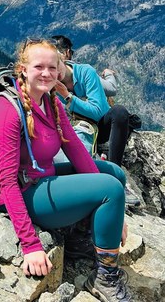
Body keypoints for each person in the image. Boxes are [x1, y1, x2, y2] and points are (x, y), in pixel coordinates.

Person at [0, 39, 133, 302]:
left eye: (52, 68)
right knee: (110, 190)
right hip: (23, 191)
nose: (46, 73)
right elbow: (6, 180)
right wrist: (31, 245)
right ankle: (105, 277)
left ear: (60, 70)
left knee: (114, 174)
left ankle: (79, 240)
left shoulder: (49, 101)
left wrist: (116, 211)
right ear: (23, 69)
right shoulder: (7, 110)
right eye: (38, 67)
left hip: (44, 178)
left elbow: (76, 148)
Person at [51, 35, 139, 207]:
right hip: (73, 133)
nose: (52, 71)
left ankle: (114, 174)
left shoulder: (85, 72)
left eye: (54, 64)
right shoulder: (49, 83)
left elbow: (98, 112)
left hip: (99, 125)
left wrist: (68, 98)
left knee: (120, 112)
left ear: (64, 56)